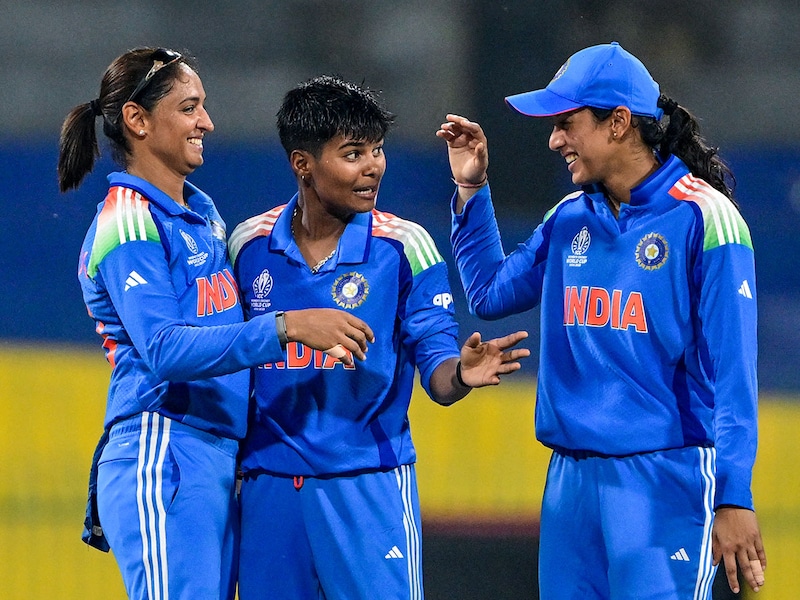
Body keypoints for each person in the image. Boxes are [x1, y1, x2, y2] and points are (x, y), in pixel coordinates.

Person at [436, 42, 766, 599]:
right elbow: (489, 292)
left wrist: (734, 497)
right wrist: (471, 188)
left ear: (618, 123)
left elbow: (735, 377)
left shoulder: (705, 219)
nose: (554, 139)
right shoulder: (569, 217)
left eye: (567, 122)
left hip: (666, 481)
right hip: (570, 486)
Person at [58, 49, 374, 600]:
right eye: (189, 107)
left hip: (215, 455)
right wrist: (288, 325)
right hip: (164, 449)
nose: (207, 122)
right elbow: (164, 349)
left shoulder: (202, 217)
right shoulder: (128, 221)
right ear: (137, 120)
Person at [228, 74, 530, 600]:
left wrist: (460, 372)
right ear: (303, 163)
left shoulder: (404, 247)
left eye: (378, 150)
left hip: (368, 488)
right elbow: (229, 360)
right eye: (352, 153)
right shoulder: (247, 246)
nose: (373, 166)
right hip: (268, 490)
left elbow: (437, 370)